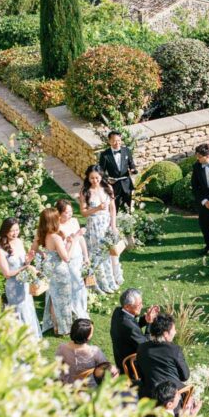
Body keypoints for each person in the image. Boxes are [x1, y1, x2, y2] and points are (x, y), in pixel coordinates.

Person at [30, 208, 80, 336]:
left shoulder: (40, 234)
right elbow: (66, 258)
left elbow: (33, 250)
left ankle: (56, 327)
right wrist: (73, 242)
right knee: (63, 299)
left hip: (49, 269)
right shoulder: (55, 237)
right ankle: (64, 328)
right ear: (53, 220)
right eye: (57, 217)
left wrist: (45, 254)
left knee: (53, 298)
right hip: (60, 270)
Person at [0, 217, 42, 340]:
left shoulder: (19, 242)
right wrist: (26, 268)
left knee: (28, 308)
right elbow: (7, 273)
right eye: (12, 231)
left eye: (17, 230)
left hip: (24, 283)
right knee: (19, 311)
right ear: (5, 231)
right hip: (13, 287)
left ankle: (31, 338)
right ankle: (20, 339)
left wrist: (29, 259)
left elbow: (23, 263)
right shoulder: (0, 250)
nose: (15, 233)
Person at [79, 164, 122, 294]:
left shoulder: (107, 187)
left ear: (101, 176)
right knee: (97, 256)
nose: (95, 181)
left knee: (108, 254)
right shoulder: (85, 192)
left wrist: (113, 226)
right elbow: (83, 213)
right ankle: (98, 284)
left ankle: (110, 281)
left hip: (106, 225)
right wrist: (97, 208)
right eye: (92, 178)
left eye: (97, 178)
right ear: (88, 178)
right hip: (94, 226)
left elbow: (113, 208)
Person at [136, 314, 191, 402]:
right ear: (165, 334)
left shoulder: (141, 348)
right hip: (171, 398)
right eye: (174, 329)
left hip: (147, 397)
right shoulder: (174, 350)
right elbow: (185, 376)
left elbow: (140, 374)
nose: (175, 332)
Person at [110, 288, 160, 373]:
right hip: (132, 366)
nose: (142, 306)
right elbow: (146, 345)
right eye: (139, 304)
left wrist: (145, 318)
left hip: (120, 355)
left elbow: (133, 324)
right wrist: (149, 323)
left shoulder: (118, 311)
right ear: (127, 306)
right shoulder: (129, 326)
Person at [56, 318, 115, 386]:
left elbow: (58, 367)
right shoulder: (94, 352)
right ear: (87, 337)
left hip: (68, 386)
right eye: (91, 333)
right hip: (89, 387)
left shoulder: (62, 348)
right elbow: (106, 368)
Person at [56, 198, 89, 318]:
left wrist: (86, 256)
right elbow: (60, 247)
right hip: (68, 258)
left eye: (71, 211)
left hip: (78, 255)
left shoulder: (75, 221)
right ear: (59, 213)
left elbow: (81, 239)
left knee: (80, 283)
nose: (70, 214)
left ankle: (81, 307)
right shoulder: (57, 226)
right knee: (75, 283)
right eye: (66, 212)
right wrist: (72, 239)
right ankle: (75, 309)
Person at [98, 130, 138, 211]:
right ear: (109, 141)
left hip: (126, 183)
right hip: (114, 185)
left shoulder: (126, 150)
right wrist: (107, 179)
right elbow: (100, 171)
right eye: (114, 141)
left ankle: (128, 219)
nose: (117, 143)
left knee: (128, 205)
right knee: (114, 207)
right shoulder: (105, 155)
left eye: (119, 140)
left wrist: (133, 169)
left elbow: (131, 164)